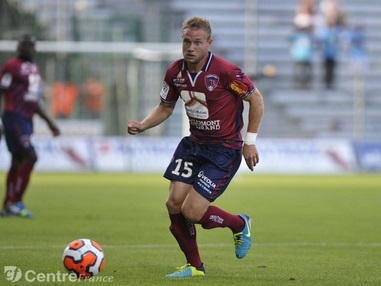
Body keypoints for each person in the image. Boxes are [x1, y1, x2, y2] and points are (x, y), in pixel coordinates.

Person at [127, 16, 264, 278]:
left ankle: (239, 223)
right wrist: (143, 125)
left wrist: (250, 142)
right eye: (187, 41)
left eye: (197, 42)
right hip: (193, 146)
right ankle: (195, 267)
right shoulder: (175, 73)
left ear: (208, 43)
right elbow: (166, 107)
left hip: (223, 150)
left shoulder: (225, 72)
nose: (191, 47)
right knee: (173, 204)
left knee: (191, 211)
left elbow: (255, 99)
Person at [0, 34, 60, 218]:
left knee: (17, 160)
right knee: (31, 156)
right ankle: (15, 201)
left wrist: (49, 122)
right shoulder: (11, 67)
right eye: (26, 45)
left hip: (26, 119)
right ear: (19, 47)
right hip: (13, 116)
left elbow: (33, 100)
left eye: (32, 45)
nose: (30, 49)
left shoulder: (34, 68)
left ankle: (8, 205)